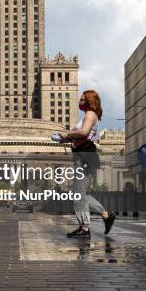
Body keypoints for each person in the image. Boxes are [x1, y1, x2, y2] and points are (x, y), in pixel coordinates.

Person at [60, 90, 116, 238]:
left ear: (89, 102)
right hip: (83, 156)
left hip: (85, 157)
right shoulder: (87, 115)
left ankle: (84, 228)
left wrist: (67, 135)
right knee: (81, 193)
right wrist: (68, 139)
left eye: (82, 99)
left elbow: (84, 133)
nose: (79, 101)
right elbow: (82, 136)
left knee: (78, 194)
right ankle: (106, 215)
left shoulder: (90, 114)